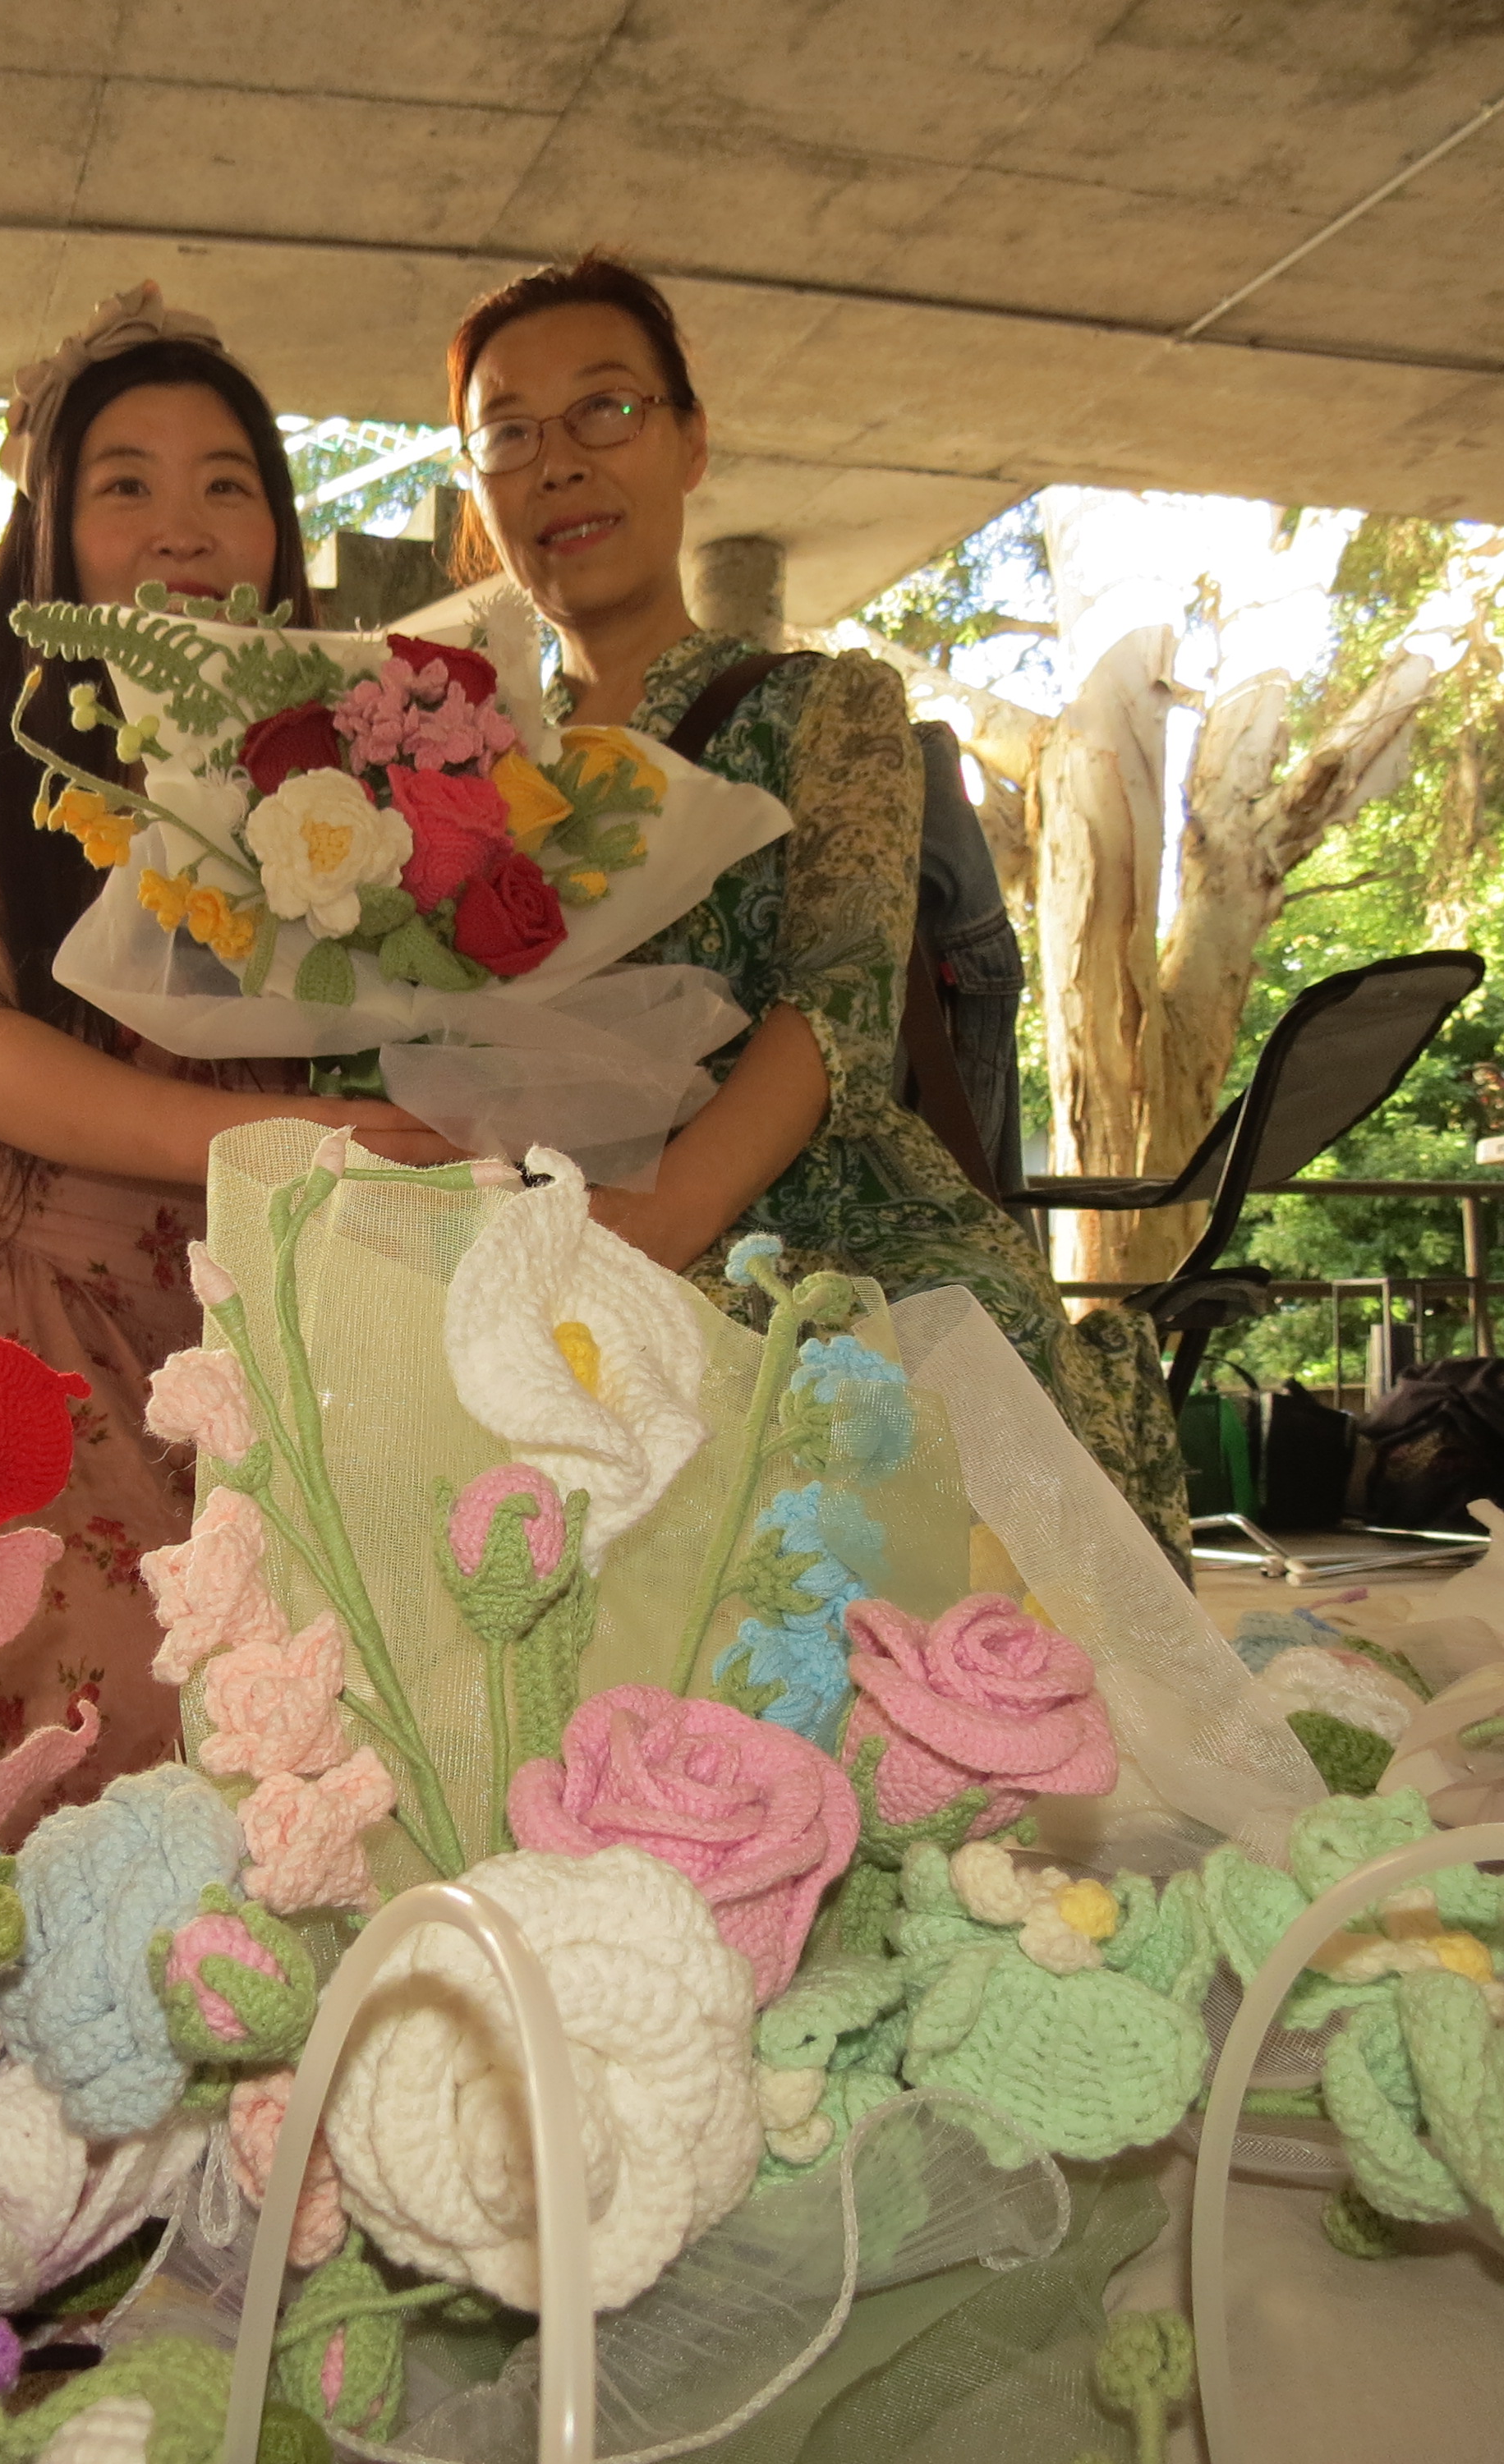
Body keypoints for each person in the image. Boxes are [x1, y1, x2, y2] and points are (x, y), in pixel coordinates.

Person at [0, 286, 448, 1797]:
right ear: (51, 534)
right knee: (103, 1720)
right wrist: (260, 1141)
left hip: (280, 1335)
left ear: (280, 531)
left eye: (227, 485)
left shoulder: (351, 791)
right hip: (14, 1323)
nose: (181, 524)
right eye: (125, 483)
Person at [440, 255, 1189, 1560]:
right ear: (477, 487)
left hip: (814, 1229)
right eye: (510, 431)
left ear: (690, 442)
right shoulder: (455, 761)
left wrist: (659, 1228)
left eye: (606, 408)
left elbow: (836, 996)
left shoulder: (826, 706)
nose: (557, 462)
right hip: (533, 1236)